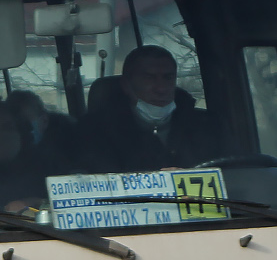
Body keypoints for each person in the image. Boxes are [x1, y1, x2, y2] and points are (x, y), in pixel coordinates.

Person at [91, 45, 219, 171]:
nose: (161, 88)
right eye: (149, 78)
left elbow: (231, 171)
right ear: (126, 85)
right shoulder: (96, 134)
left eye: (168, 78)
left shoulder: (208, 127)